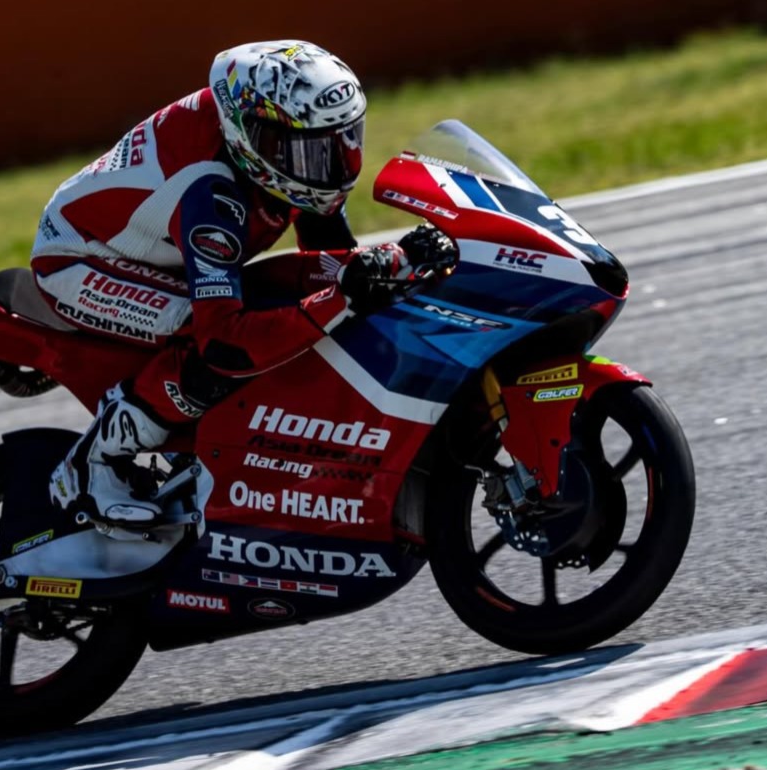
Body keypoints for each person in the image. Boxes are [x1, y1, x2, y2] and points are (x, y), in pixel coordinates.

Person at [32, 40, 454, 527]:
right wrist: (341, 296)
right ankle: (92, 463)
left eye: (341, 142)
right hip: (82, 260)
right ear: (249, 137)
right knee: (222, 346)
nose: (330, 166)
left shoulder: (280, 159)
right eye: (309, 151)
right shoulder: (211, 192)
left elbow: (336, 264)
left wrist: (384, 270)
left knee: (322, 300)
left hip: (162, 252)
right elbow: (224, 343)